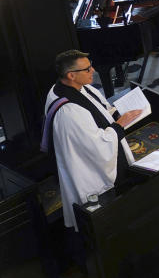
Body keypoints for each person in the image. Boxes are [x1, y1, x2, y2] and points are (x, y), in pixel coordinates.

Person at [42, 50, 142, 231]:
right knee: (106, 219)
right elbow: (97, 147)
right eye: (87, 69)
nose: (93, 71)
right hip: (89, 170)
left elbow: (101, 111)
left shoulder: (82, 88)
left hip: (94, 149)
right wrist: (120, 125)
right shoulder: (69, 110)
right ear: (71, 75)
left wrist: (116, 114)